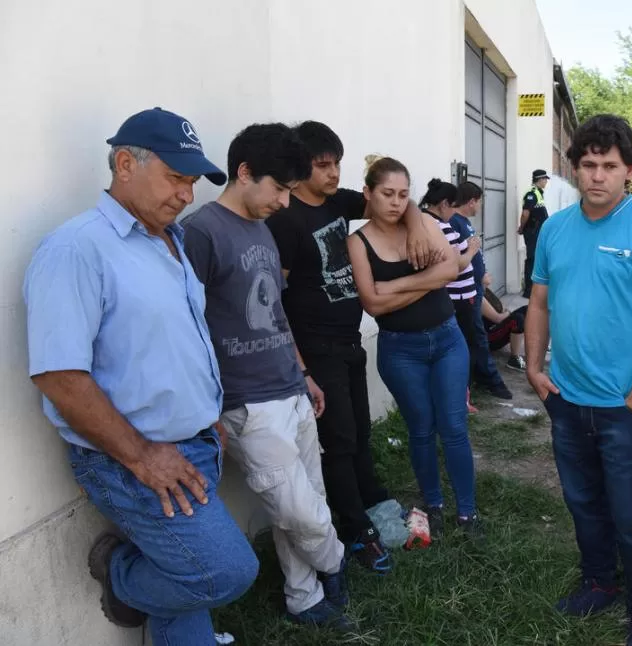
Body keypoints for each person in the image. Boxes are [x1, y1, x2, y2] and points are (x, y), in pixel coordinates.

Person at [23, 107, 259, 644]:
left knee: (187, 581)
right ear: (125, 163)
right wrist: (142, 455)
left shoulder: (168, 242)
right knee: (221, 573)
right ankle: (119, 575)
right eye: (176, 177)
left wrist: (205, 415)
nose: (186, 194)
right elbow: (60, 376)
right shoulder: (77, 248)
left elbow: (174, 343)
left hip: (194, 444)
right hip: (135, 456)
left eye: (192, 182)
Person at [181, 123, 355, 631]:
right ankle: (337, 560)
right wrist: (206, 408)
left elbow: (276, 312)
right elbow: (186, 326)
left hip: (291, 388)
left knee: (303, 505)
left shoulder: (260, 228)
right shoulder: (200, 232)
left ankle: (304, 600)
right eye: (278, 188)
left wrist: (303, 373)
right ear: (244, 172)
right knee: (298, 511)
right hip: (246, 404)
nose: (284, 201)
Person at [525, 114, 632, 646]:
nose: (598, 176)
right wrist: (533, 366)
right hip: (566, 399)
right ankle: (599, 582)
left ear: (628, 171)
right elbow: (540, 301)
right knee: (582, 502)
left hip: (625, 406)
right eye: (588, 165)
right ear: (574, 169)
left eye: (610, 166)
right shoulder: (554, 228)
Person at [266, 121, 436, 573]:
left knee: (360, 429)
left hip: (349, 339)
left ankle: (373, 499)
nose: (333, 172)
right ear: (301, 168)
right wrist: (297, 363)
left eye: (337, 163)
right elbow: (273, 299)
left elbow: (393, 195)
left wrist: (417, 222)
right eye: (323, 165)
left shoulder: (339, 202)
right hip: (314, 346)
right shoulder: (285, 219)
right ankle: (355, 528)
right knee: (337, 441)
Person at [348, 157, 483, 540]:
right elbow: (372, 306)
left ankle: (468, 513)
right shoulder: (358, 242)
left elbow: (452, 270)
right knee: (421, 430)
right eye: (387, 193)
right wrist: (424, 281)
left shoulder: (423, 224)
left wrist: (392, 286)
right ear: (368, 194)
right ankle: (435, 505)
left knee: (454, 426)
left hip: (446, 339)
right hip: (400, 349)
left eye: (403, 194)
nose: (395, 202)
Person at [422, 179, 511, 404]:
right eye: (452, 205)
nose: (454, 211)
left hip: (466, 294)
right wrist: (472, 250)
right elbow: (455, 264)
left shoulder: (441, 223)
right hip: (460, 298)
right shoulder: (442, 225)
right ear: (444, 204)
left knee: (470, 342)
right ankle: (466, 393)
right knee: (469, 344)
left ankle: (466, 391)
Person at [450, 181, 514, 396]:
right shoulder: (455, 223)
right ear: (471, 201)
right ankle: (490, 381)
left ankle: (480, 379)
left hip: (476, 288)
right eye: (479, 202)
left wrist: (481, 275)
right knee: (476, 337)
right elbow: (457, 257)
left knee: (476, 336)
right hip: (466, 293)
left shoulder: (464, 222)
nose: (479, 207)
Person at [481, 279, 527, 369]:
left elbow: (501, 309)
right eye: (485, 272)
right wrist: (508, 312)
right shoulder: (478, 296)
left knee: (527, 309)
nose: (489, 275)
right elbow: (497, 318)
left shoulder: (486, 291)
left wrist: (506, 313)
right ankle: (514, 359)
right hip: (488, 338)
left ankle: (538, 342)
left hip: (495, 327)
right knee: (517, 319)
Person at [518, 169, 550, 298]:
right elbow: (526, 213)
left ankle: (534, 288)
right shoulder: (532, 194)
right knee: (531, 259)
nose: (546, 182)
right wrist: (521, 227)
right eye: (545, 179)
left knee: (537, 258)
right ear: (540, 179)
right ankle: (528, 291)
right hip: (532, 232)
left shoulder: (539, 193)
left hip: (538, 232)